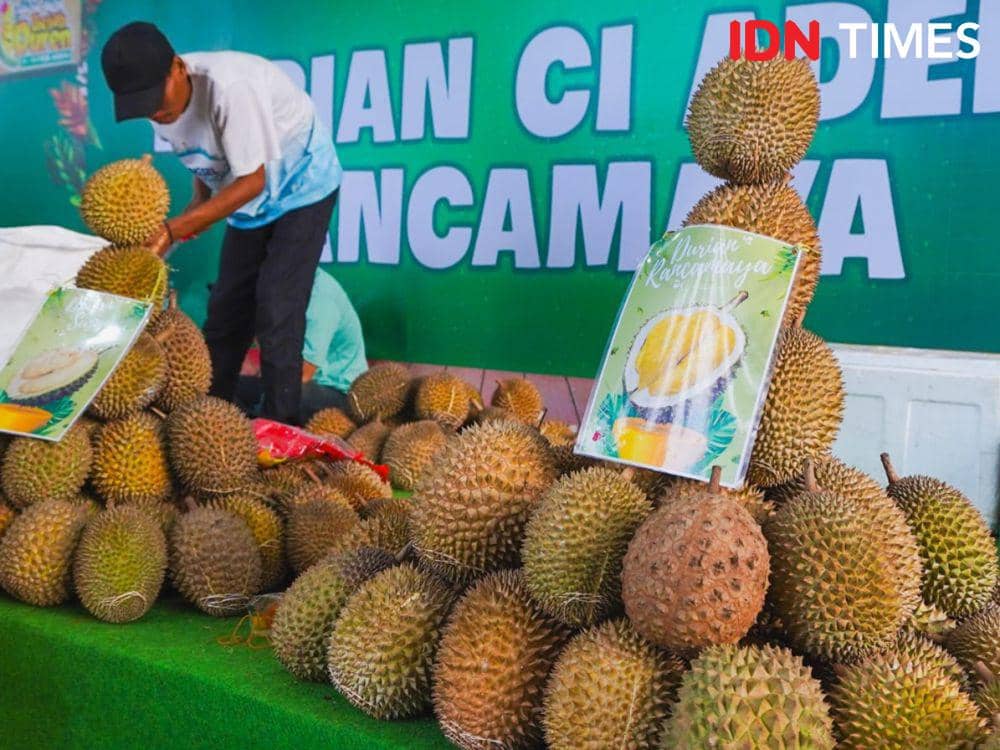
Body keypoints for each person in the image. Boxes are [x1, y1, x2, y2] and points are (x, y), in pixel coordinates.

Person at [100, 21, 342, 425]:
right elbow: (207, 156)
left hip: (301, 186)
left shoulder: (232, 90)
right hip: (249, 198)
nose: (155, 112)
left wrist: (175, 228)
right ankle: (209, 422)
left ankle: (281, 429)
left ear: (178, 67)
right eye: (142, 105)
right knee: (226, 310)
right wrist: (198, 206)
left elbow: (253, 180)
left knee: (278, 305)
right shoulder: (163, 105)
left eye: (155, 98)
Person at [234, 267, 368, 424]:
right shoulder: (284, 289)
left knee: (284, 393)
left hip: (340, 393)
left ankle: (264, 433)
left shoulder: (320, 297)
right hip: (295, 382)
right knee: (231, 386)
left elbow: (304, 372)